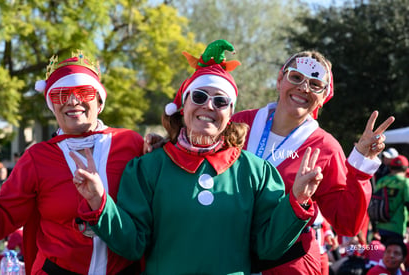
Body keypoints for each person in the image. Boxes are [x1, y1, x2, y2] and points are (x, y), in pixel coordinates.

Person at [70, 40, 324, 274]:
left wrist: (297, 201)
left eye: (221, 101)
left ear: (230, 114)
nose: (209, 106)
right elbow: (132, 246)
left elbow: (268, 248)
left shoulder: (257, 173)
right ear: (183, 106)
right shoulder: (147, 168)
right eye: (200, 97)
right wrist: (99, 201)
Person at [231, 50, 395, 274]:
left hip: (287, 265)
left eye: (315, 84)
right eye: (296, 77)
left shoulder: (325, 147)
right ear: (280, 79)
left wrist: (361, 165)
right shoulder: (239, 123)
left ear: (324, 95)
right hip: (228, 256)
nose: (304, 87)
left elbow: (347, 223)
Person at [0, 50, 145, 274]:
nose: (73, 100)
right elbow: (4, 215)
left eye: (83, 91)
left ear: (100, 101)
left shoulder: (131, 143)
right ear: (52, 106)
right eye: (60, 95)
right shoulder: (37, 157)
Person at [375, 155, 409, 245]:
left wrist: (374, 228)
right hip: (397, 227)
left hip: (381, 226)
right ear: (406, 169)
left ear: (390, 168)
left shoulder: (381, 181)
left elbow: (374, 202)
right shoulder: (405, 182)